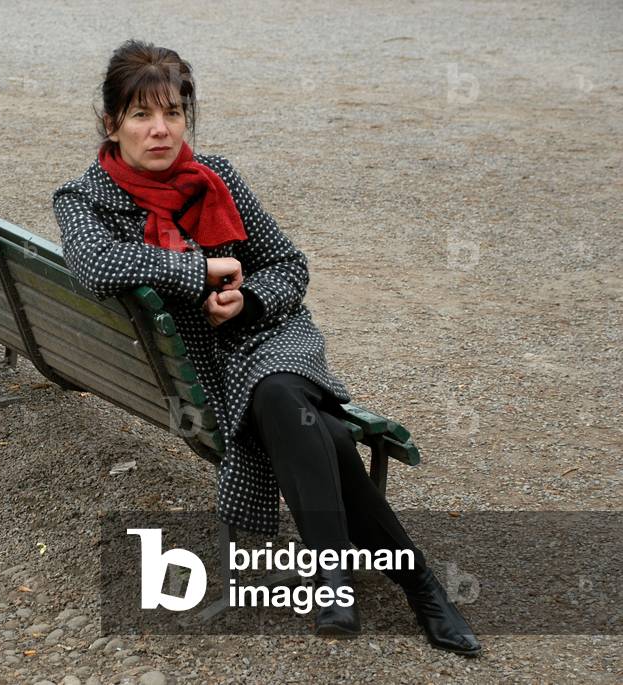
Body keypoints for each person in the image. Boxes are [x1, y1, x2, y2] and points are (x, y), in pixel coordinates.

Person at [52, 39, 481, 656]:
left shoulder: (216, 178)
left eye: (173, 113)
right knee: (326, 434)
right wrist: (202, 273)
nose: (160, 129)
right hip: (212, 369)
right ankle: (423, 589)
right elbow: (99, 265)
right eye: (142, 115)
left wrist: (247, 300)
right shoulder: (85, 199)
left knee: (282, 391)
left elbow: (287, 265)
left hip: (276, 338)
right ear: (111, 121)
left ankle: (334, 577)